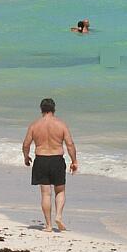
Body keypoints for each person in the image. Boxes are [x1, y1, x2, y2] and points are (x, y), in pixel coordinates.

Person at [22, 98, 78, 233]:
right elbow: (70, 144)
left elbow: (26, 144)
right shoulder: (61, 125)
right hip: (57, 160)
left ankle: (48, 225)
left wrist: (26, 156)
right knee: (60, 191)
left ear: (41, 109)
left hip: (41, 160)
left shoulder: (35, 125)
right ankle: (58, 216)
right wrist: (74, 161)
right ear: (54, 109)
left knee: (46, 194)